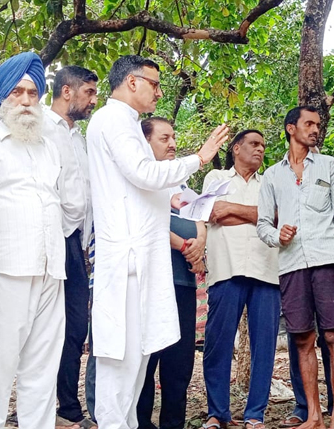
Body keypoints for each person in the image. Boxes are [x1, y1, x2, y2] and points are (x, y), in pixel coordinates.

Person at [86, 54, 228, 429]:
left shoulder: (125, 122)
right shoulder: (113, 119)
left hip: (143, 258)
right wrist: (200, 158)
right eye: (154, 83)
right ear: (132, 81)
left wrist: (174, 197)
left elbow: (135, 185)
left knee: (137, 359)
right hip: (129, 257)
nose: (159, 92)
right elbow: (143, 172)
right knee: (120, 358)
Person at [0, 52, 81, 429]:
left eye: (33, 93)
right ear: (2, 97)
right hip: (5, 267)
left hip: (51, 269)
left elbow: (72, 206)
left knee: (42, 370)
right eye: (18, 92)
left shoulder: (50, 147)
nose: (25, 100)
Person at [257, 106, 334, 429]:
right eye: (308, 124)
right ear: (290, 128)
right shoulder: (272, 175)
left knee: (333, 335)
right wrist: (277, 234)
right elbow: (262, 225)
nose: (315, 129)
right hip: (291, 265)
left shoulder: (329, 166)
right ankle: (314, 415)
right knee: (302, 338)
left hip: (327, 262)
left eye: (317, 125)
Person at [200, 130, 281, 429]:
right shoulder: (216, 179)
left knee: (264, 347)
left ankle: (254, 415)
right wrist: (257, 215)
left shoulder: (272, 182)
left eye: (263, 145)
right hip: (226, 269)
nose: (260, 149)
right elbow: (212, 212)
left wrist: (232, 209)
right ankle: (217, 413)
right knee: (217, 344)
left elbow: (276, 217)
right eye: (254, 144)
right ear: (236, 148)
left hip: (266, 271)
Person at [136, 117, 207, 429]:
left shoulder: (181, 184)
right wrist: (184, 246)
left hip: (184, 283)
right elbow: (147, 220)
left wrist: (199, 244)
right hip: (152, 281)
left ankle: (173, 424)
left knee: (179, 363)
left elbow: (201, 216)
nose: (173, 144)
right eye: (165, 138)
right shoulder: (140, 179)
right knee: (146, 361)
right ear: (145, 142)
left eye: (174, 137)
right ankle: (140, 423)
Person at [43, 65, 100, 429]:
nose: (94, 100)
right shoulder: (41, 129)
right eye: (89, 93)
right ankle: (53, 407)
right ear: (67, 91)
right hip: (47, 239)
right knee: (46, 327)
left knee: (76, 327)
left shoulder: (79, 137)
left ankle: (65, 403)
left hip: (77, 243)